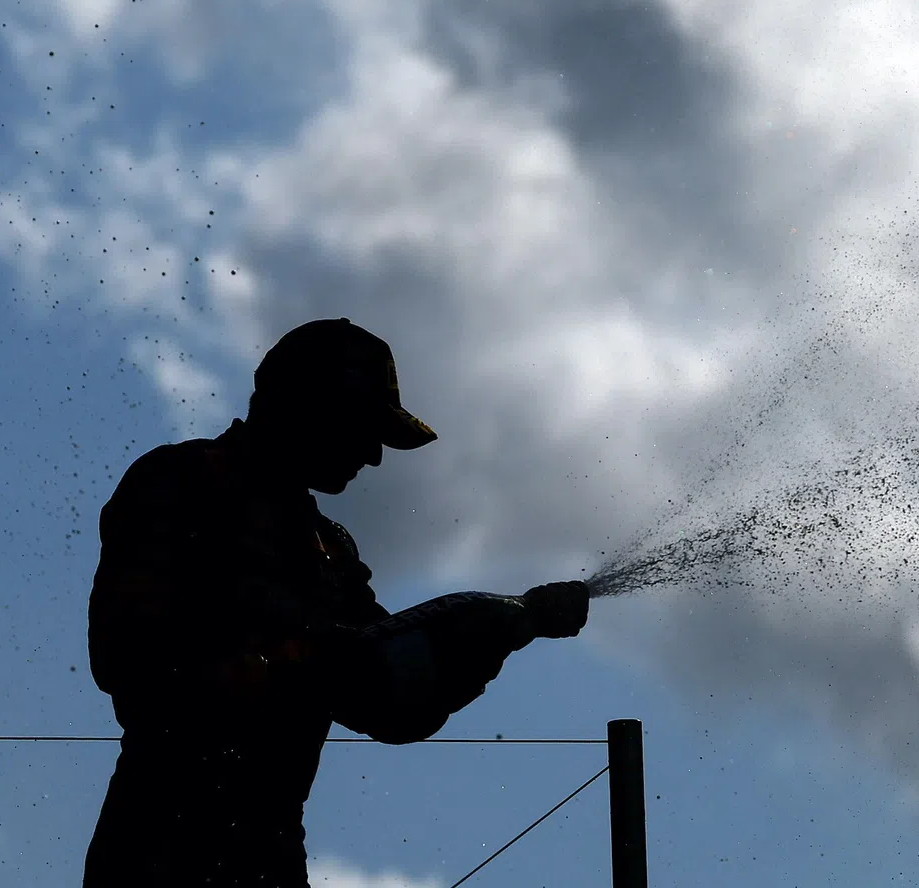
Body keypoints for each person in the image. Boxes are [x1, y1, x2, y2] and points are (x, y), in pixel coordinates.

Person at [82, 318, 589, 888]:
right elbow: (127, 656)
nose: (373, 456)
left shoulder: (330, 550)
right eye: (363, 428)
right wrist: (293, 662)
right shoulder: (180, 483)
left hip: (271, 857)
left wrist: (499, 634)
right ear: (310, 406)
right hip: (161, 848)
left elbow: (391, 702)